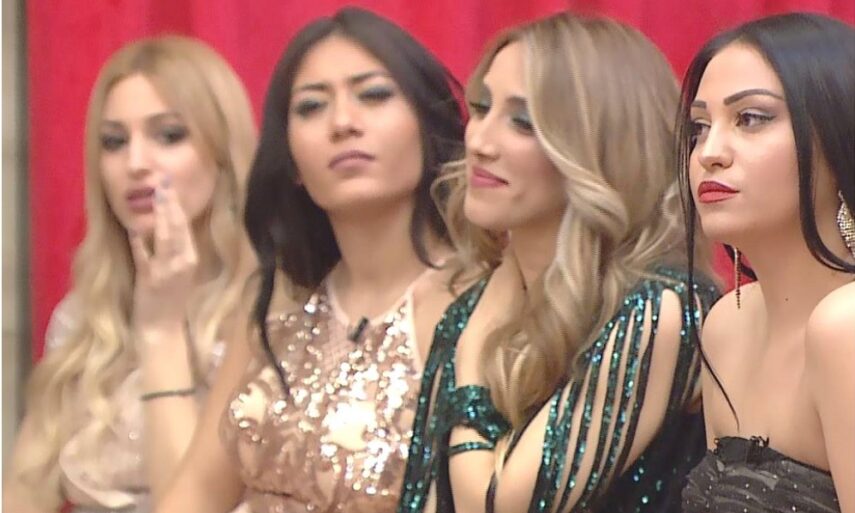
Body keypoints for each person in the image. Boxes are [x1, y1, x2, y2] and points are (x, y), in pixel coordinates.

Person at [398, 12, 720, 513]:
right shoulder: (469, 309)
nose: (479, 141)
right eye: (481, 108)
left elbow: (501, 506)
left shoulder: (662, 307)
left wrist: (474, 355)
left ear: (599, 148)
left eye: (523, 122)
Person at [155, 7, 466, 513]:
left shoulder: (472, 305)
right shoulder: (276, 309)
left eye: (374, 95)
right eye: (312, 106)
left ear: (427, 127)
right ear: (292, 160)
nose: (343, 123)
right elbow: (196, 493)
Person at [4, 36, 258, 513]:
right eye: (114, 142)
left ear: (223, 153)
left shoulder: (271, 313)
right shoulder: (86, 316)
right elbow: (23, 494)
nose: (136, 164)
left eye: (169, 135)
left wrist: (162, 329)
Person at [678, 13, 855, 513]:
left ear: (839, 137)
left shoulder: (846, 326)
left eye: (751, 118)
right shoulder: (727, 323)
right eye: (699, 127)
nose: (709, 153)